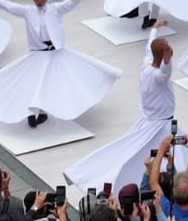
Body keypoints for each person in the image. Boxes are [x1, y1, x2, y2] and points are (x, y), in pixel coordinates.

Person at [0, 0, 118, 127]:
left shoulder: (55, 9)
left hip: (55, 53)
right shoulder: (28, 11)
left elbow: (68, 4)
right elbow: (11, 7)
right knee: (34, 82)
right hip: (38, 53)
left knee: (52, 82)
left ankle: (42, 111)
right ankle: (32, 111)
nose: (39, 1)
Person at [67, 24, 177, 192]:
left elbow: (149, 47)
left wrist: (154, 29)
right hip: (158, 125)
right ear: (163, 57)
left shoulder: (146, 64)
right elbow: (165, 72)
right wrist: (168, 60)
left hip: (152, 119)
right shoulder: (158, 76)